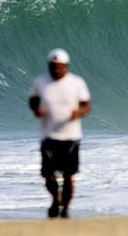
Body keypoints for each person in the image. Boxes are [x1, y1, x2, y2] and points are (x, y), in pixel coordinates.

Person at [28, 48, 91, 219]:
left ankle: (65, 209)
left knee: (69, 176)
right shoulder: (41, 82)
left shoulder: (76, 83)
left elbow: (86, 104)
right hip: (48, 136)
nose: (56, 70)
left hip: (71, 136)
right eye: (53, 66)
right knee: (48, 175)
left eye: (60, 66)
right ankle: (56, 199)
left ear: (66, 66)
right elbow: (33, 99)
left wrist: (78, 113)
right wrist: (37, 110)